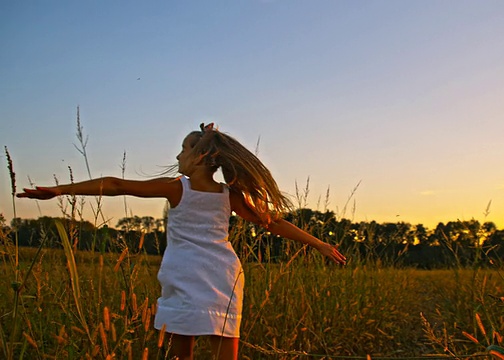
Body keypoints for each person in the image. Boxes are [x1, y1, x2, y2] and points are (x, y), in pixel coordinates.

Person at [18, 123, 347, 360]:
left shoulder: (178, 188)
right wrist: (317, 243)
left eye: (185, 148)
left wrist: (61, 190)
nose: (178, 154)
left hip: (189, 274)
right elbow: (271, 223)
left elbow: (117, 184)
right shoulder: (226, 195)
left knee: (180, 354)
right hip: (221, 276)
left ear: (201, 156)